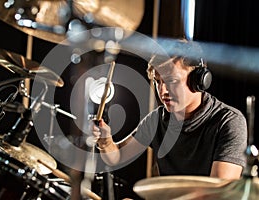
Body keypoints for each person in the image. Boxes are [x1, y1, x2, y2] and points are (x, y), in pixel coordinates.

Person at [91, 52, 248, 180]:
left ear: (198, 81)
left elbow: (220, 193)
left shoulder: (228, 121)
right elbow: (117, 157)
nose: (162, 91)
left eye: (171, 81)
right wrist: (106, 142)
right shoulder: (156, 120)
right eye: (158, 82)